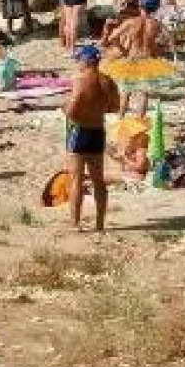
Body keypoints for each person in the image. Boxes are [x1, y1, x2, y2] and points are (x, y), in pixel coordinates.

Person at [64, 46, 121, 232]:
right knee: (98, 180)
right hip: (98, 131)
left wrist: (65, 109)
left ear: (87, 61)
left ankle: (75, 223)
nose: (78, 63)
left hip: (80, 131)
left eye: (79, 60)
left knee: (76, 179)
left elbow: (72, 111)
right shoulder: (108, 82)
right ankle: (100, 223)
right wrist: (96, 109)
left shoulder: (81, 81)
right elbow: (114, 107)